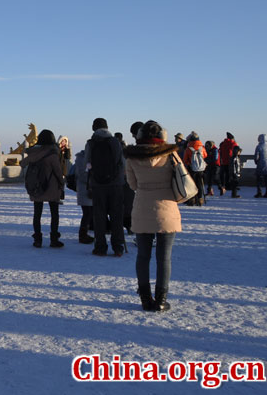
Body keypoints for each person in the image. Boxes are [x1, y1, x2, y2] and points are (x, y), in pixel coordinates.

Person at [124, 120, 181, 312]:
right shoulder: (171, 154)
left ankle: (145, 299)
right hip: (167, 209)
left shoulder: (132, 157)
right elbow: (181, 178)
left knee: (143, 256)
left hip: (142, 208)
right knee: (164, 257)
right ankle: (161, 299)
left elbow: (132, 184)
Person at [85, 117, 125, 256]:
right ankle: (118, 246)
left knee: (99, 216)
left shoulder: (91, 143)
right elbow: (121, 162)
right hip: (115, 184)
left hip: (97, 184)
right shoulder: (115, 141)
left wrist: (90, 178)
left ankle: (100, 247)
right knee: (116, 215)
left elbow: (87, 163)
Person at [22, 129, 65, 248]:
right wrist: (62, 184)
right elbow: (58, 171)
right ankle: (54, 239)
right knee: (54, 214)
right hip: (51, 187)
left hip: (36, 186)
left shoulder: (33, 153)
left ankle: (37, 239)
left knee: (37, 214)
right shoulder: (52, 154)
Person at [70, 150, 94, 244]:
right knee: (87, 213)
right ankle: (83, 235)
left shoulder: (83, 158)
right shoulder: (83, 159)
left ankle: (84, 234)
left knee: (88, 213)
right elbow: (83, 175)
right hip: (86, 189)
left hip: (86, 189)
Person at [181, 132, 206, 206]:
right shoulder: (202, 147)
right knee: (200, 184)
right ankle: (200, 199)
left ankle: (192, 199)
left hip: (192, 168)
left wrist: (189, 163)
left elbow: (185, 159)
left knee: (192, 184)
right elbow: (205, 155)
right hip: (201, 168)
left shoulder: (189, 148)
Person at [219, 133, 240, 198]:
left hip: (223, 162)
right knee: (233, 177)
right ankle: (233, 190)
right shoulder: (233, 144)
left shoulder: (222, 144)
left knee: (224, 176)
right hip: (231, 162)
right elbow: (237, 151)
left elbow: (220, 152)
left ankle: (223, 187)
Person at [254, 134, 267, 198]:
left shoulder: (259, 146)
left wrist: (257, 162)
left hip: (261, 165)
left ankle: (259, 193)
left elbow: (256, 157)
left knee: (259, 180)